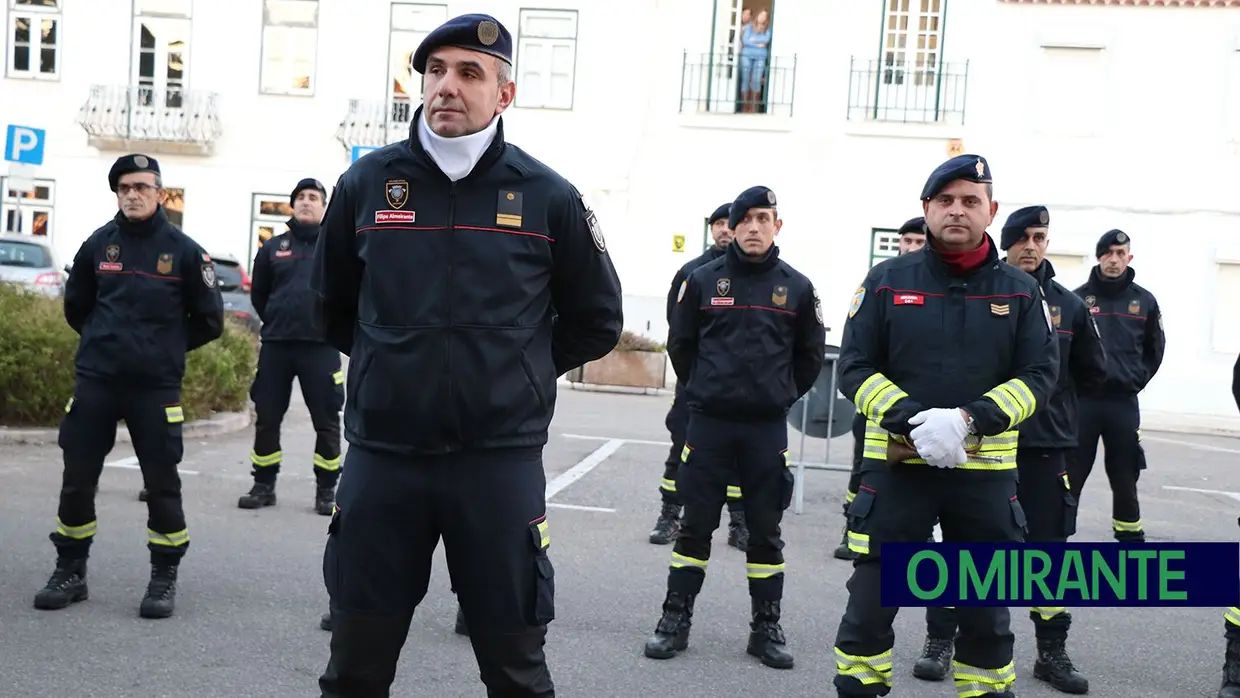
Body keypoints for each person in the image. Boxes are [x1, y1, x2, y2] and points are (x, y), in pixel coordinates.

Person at [311, 14, 623, 697]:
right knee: (354, 667)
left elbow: (598, 319)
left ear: (504, 95)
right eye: (436, 71)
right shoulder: (367, 186)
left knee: (515, 668)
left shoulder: (548, 197)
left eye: (470, 73)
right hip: (383, 461)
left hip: (496, 466)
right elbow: (330, 306)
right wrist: (391, 366)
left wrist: (521, 369)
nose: (447, 86)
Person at [831, 154, 1058, 698]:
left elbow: (1040, 376)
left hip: (984, 483)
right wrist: (914, 421)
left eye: (970, 201)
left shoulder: (1022, 292)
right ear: (927, 209)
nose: (958, 211)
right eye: (946, 201)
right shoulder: (885, 281)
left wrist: (966, 420)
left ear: (990, 211)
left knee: (984, 617)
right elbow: (855, 367)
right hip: (897, 474)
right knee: (871, 604)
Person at [913, 206, 1106, 694]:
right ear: (1005, 241)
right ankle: (940, 640)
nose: (1030, 245)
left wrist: (1059, 416)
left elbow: (1092, 372)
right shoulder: (978, 293)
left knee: (1048, 557)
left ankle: (1052, 651)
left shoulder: (1071, 306)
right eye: (1020, 237)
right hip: (982, 449)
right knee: (961, 555)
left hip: (1041, 451)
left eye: (1039, 237)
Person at [34, 154, 224, 619]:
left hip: (154, 388)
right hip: (97, 381)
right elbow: (76, 307)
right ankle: (70, 570)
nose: (133, 194)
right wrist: (105, 344)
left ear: (161, 192)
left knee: (161, 483)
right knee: (77, 478)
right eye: (124, 187)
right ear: (116, 194)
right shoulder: (98, 246)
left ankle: (163, 577)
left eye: (142, 186)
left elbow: (210, 321)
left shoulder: (185, 252)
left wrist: (164, 350)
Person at [643, 185, 825, 669]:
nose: (753, 227)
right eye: (745, 218)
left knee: (765, 533)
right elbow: (681, 346)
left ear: (777, 226)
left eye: (763, 218)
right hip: (709, 425)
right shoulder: (702, 281)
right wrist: (707, 389)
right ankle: (674, 619)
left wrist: (779, 395)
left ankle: (766, 628)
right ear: (732, 226)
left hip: (765, 430)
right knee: (695, 528)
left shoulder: (799, 288)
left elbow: (808, 358)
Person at [239, 178, 345, 515]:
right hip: (277, 347)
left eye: (313, 197)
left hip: (321, 347)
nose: (306, 202)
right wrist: (274, 317)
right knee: (267, 417)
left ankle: (327, 492)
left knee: (326, 421)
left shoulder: (337, 246)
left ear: (325, 206)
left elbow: (348, 293)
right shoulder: (273, 247)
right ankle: (263, 485)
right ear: (293, 205)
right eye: (300, 197)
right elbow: (260, 294)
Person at [650, 202, 748, 550]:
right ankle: (669, 517)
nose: (723, 229)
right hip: (696, 386)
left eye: (728, 224)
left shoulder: (755, 274)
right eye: (717, 224)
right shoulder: (692, 272)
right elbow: (677, 331)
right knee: (682, 451)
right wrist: (694, 379)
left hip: (741, 390)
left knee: (739, 460)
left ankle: (740, 524)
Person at [833, 216, 926, 561]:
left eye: (919, 241)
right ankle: (852, 530)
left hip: (925, 409)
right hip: (878, 408)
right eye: (907, 241)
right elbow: (856, 354)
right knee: (862, 472)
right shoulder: (884, 282)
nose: (911, 247)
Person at [1070, 229, 1165, 542]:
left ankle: (1129, 538)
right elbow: (1064, 350)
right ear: (1099, 257)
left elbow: (1155, 350)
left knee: (1125, 475)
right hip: (1083, 403)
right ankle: (1057, 535)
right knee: (1071, 475)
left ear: (1129, 257)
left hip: (1122, 404)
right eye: (1108, 253)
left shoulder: (1144, 301)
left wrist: (1135, 380)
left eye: (1120, 253)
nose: (1113, 260)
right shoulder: (1078, 300)